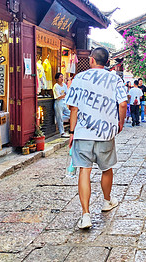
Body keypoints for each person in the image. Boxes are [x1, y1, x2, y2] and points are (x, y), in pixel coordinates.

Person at [65, 47, 128, 230]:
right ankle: (107, 201)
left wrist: (72, 132)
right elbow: (123, 103)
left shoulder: (79, 78)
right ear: (106, 61)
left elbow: (73, 108)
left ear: (91, 60)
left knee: (84, 171)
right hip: (106, 132)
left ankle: (85, 215)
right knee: (106, 168)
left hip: (83, 132)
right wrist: (120, 122)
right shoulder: (115, 78)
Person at [53, 72, 70, 138]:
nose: (62, 78)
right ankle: (62, 132)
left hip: (63, 102)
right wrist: (63, 96)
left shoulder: (64, 85)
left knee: (69, 114)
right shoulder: (56, 86)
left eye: (62, 77)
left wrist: (64, 96)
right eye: (60, 77)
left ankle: (57, 120)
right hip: (58, 102)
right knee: (59, 117)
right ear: (57, 79)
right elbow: (58, 96)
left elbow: (67, 93)